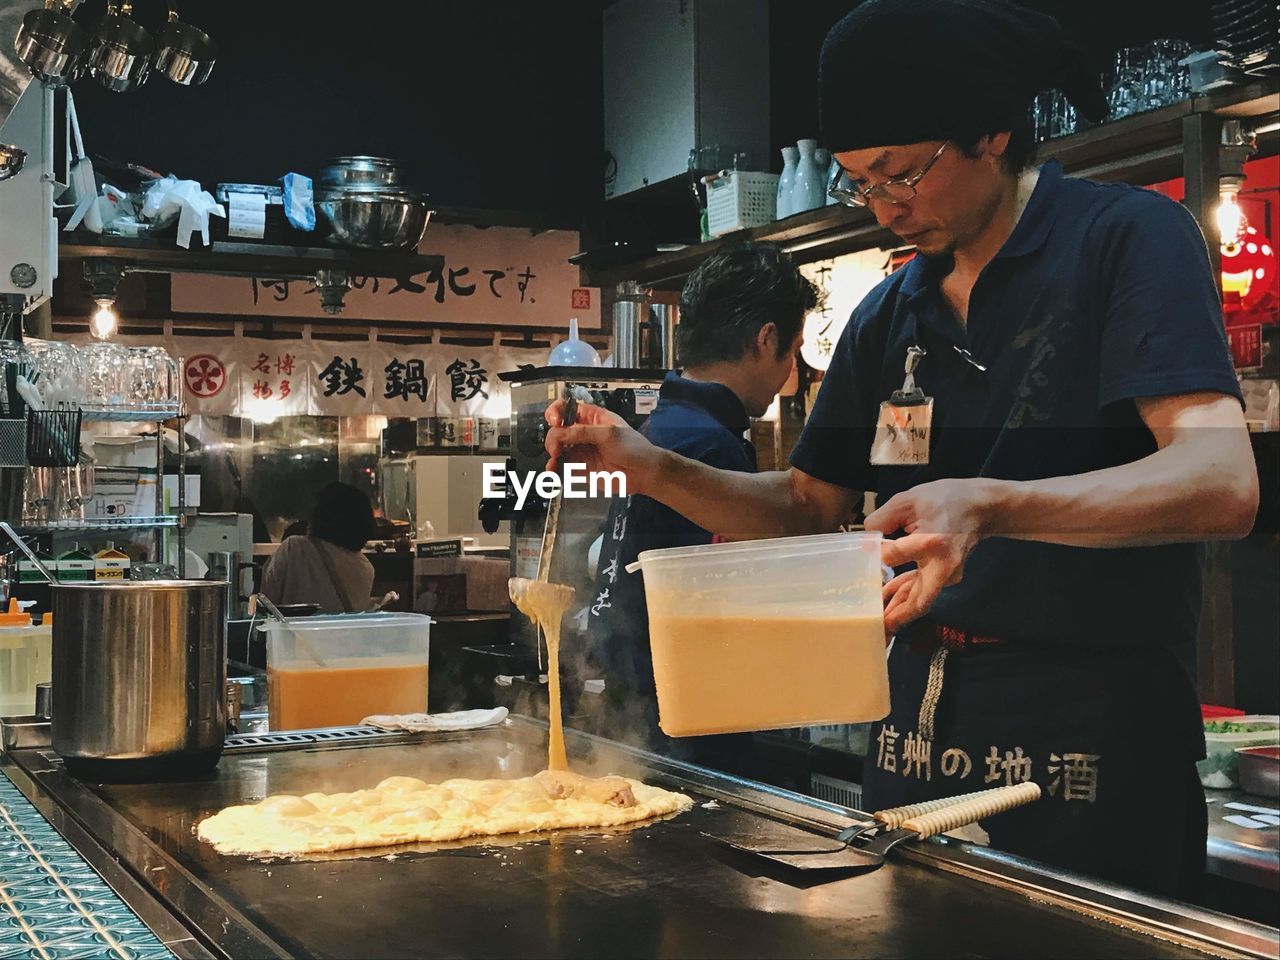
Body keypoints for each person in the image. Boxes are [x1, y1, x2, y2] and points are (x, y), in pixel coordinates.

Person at [545, 0, 1259, 900]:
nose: (885, 212)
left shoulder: (1123, 241)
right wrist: (652, 464)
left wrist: (995, 505)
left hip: (1091, 729)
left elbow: (1220, 482)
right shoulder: (894, 310)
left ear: (992, 131)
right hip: (916, 725)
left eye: (901, 177)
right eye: (860, 185)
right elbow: (806, 506)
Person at [588, 242, 819, 775]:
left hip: (637, 711)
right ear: (767, 340)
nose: (790, 369)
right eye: (793, 350)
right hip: (686, 725)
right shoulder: (707, 444)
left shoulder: (663, 429)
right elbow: (726, 612)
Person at [261, 482, 376, 614]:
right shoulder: (366, 568)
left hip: (295, 634)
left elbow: (264, 600)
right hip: (343, 635)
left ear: (321, 516)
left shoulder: (294, 549)